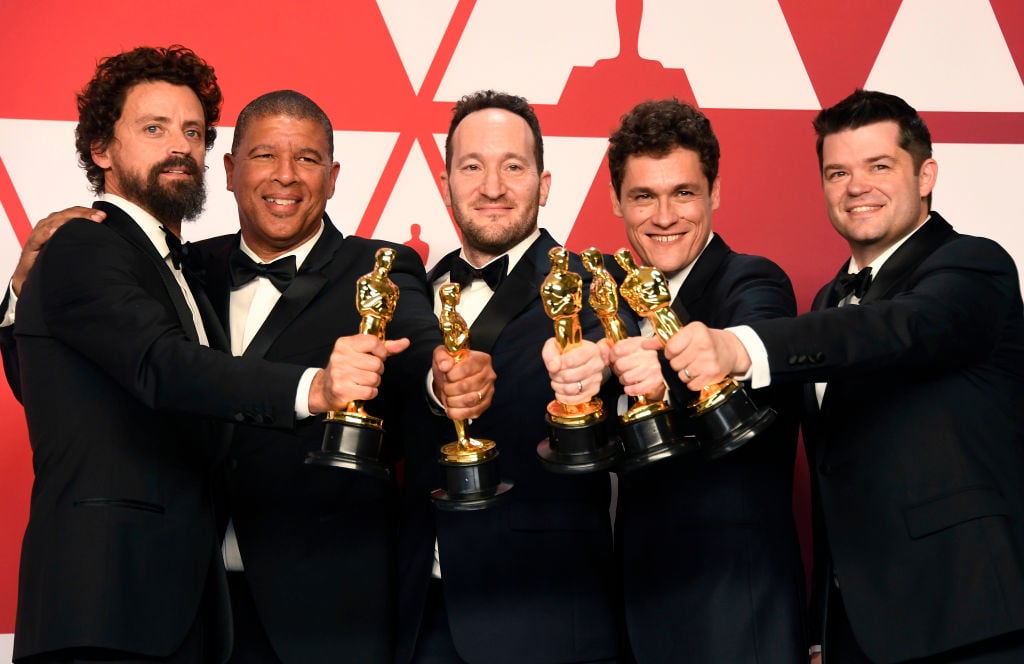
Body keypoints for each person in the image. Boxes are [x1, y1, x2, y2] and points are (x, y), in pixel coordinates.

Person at [0, 47, 367, 663]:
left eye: (192, 131)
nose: (179, 147)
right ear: (100, 149)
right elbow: (159, 364)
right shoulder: (84, 246)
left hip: (182, 611)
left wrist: (18, 299)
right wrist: (314, 390)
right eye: (153, 128)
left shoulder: (182, 267)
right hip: (105, 608)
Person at [661, 89, 1024, 662]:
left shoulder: (974, 265)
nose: (857, 187)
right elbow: (836, 475)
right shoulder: (830, 301)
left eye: (879, 166)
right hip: (856, 632)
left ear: (926, 174)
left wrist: (739, 346)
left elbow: (902, 328)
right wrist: (819, 627)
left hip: (966, 619)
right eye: (838, 172)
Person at [194, 89, 493, 664]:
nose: (286, 177)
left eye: (306, 159)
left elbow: (418, 345)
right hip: (191, 604)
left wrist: (446, 380)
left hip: (325, 611)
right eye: (263, 156)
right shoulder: (187, 267)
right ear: (229, 171)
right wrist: (25, 296)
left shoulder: (379, 268)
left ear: (332, 177)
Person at [396, 90, 625, 663]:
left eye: (512, 167)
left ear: (544, 185)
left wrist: (596, 365)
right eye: (472, 167)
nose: (492, 187)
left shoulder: (596, 289)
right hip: (418, 619)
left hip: (548, 618)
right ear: (445, 182)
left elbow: (622, 367)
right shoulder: (412, 293)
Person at [604, 98, 807, 662]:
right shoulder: (610, 307)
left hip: (738, 610)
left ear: (714, 194)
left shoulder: (754, 282)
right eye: (644, 196)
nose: (664, 216)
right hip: (636, 607)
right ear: (617, 201)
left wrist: (661, 370)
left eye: (683, 193)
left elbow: (746, 342)